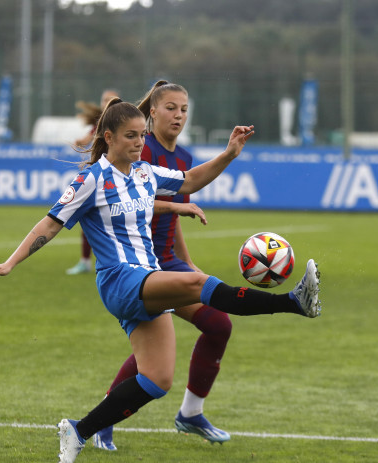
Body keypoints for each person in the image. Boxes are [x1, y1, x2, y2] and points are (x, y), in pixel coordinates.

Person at [0, 98, 321, 463]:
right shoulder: (90, 179)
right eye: (130, 136)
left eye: (142, 135)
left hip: (147, 278)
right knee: (195, 283)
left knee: (157, 381)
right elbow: (49, 223)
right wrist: (11, 262)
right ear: (108, 137)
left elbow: (190, 180)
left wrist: (229, 154)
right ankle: (294, 301)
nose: (140, 142)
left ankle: (78, 430)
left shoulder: (144, 173)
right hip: (120, 280)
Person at [91, 81, 230, 451]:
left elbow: (172, 220)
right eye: (171, 108)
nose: (179, 116)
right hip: (139, 264)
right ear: (152, 111)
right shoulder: (138, 147)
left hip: (167, 260)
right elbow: (130, 199)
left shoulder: (183, 158)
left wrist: (187, 262)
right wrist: (176, 206)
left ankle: (190, 413)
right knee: (157, 348)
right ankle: (106, 418)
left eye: (184, 109)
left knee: (216, 324)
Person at [66, 88, 120, 275]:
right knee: (89, 218)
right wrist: (80, 142)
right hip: (101, 178)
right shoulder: (100, 124)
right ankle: (87, 261)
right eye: (104, 99)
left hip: (116, 178)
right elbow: (88, 139)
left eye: (109, 99)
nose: (105, 103)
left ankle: (108, 261)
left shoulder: (120, 122)